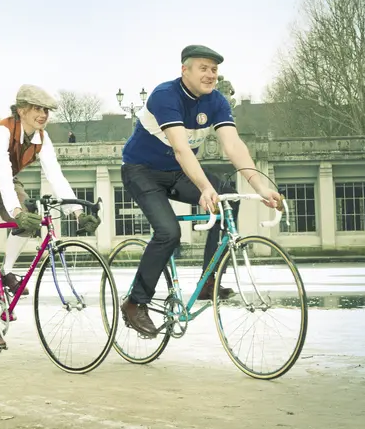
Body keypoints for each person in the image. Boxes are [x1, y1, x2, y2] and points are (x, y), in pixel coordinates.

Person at [118, 45, 283, 337]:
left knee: (227, 199)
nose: (210, 75)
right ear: (185, 70)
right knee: (169, 232)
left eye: (214, 70)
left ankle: (209, 282)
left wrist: (262, 187)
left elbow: (233, 146)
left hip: (178, 172)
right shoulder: (165, 95)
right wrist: (205, 188)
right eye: (203, 68)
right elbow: (181, 148)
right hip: (141, 170)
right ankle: (135, 302)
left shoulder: (217, 101)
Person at [0, 84, 102, 349]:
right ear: (22, 110)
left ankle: (7, 272)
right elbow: (2, 174)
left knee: (32, 218)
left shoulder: (41, 139)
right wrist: (16, 212)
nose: (43, 115)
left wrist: (77, 213)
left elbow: (56, 176)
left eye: (46, 110)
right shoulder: (0, 133)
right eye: (37, 109)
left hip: (1, 182)